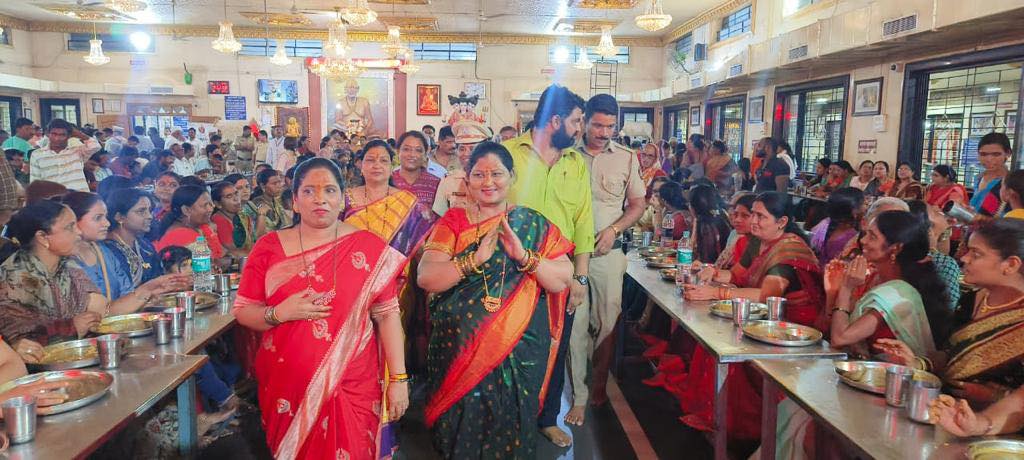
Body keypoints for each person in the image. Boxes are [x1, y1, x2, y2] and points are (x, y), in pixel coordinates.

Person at [233, 158, 408, 458]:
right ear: (295, 201)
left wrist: (400, 380)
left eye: (329, 190)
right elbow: (244, 311)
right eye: (309, 191)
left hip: (353, 382)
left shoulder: (368, 247)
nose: (320, 200)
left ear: (342, 200)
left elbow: (389, 314)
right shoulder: (268, 247)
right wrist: (277, 314)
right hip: (287, 385)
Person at [418, 142, 574, 459]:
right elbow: (427, 277)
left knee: (514, 421)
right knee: (464, 426)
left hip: (521, 345)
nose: (488, 182)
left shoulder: (533, 223)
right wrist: (474, 259)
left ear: (512, 177)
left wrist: (524, 256)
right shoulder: (454, 222)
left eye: (497, 174)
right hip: (459, 349)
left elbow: (562, 277)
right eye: (479, 174)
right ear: (467, 179)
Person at [684, 192, 824, 440]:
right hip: (763, 319)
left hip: (792, 326)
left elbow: (766, 295)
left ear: (781, 222)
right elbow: (737, 275)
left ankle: (746, 428)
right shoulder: (757, 242)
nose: (754, 221)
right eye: (754, 215)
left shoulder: (788, 250)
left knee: (732, 352)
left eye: (761, 216)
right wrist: (711, 272)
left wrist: (715, 292)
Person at [502, 84, 591, 448]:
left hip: (560, 274)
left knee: (556, 347)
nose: (580, 129)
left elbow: (584, 222)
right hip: (510, 272)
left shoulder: (575, 163)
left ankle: (547, 418)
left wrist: (580, 277)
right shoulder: (506, 155)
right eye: (576, 121)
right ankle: (507, 419)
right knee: (507, 349)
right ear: (555, 120)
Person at [877, 219, 1024, 406]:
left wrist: (995, 397)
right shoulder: (971, 300)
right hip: (944, 408)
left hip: (993, 427)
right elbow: (950, 354)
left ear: (1010, 265)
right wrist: (917, 364)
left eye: (976, 254)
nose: (964, 258)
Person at [0, 201, 174, 357]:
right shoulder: (15, 278)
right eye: (70, 227)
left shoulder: (68, 267)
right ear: (42, 238)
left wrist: (146, 291)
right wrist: (71, 327)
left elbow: (105, 312)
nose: (78, 232)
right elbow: (17, 342)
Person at [565, 94, 646, 425]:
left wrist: (614, 229)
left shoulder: (627, 159)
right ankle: (579, 397)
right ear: (584, 121)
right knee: (575, 328)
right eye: (597, 125)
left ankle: (599, 384)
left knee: (607, 325)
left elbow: (637, 205)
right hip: (570, 259)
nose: (603, 132)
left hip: (608, 257)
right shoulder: (566, 155)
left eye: (610, 126)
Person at [827, 210, 944, 357]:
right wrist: (831, 293)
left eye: (873, 237)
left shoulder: (899, 293)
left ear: (895, 248)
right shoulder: (873, 278)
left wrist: (845, 288)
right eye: (866, 234)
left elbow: (840, 339)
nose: (863, 240)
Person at [344, 139, 435, 256]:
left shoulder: (407, 203)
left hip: (396, 271)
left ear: (391, 168)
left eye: (384, 161)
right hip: (353, 267)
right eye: (371, 160)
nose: (377, 165)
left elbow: (419, 250)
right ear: (361, 166)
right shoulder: (344, 199)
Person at [907, 200, 961, 312]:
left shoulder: (906, 252)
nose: (938, 208)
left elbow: (939, 251)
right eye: (934, 212)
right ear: (928, 227)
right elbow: (949, 309)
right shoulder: (946, 264)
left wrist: (944, 229)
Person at [106, 188, 164, 286]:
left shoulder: (145, 245)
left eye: (149, 210)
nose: (149, 216)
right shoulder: (108, 251)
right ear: (119, 217)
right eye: (141, 211)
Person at [154, 185, 227, 263]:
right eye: (205, 205)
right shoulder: (181, 234)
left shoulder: (198, 226)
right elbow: (208, 266)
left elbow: (221, 255)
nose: (211, 209)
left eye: (210, 204)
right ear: (186, 210)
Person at [432, 121, 489, 216]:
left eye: (472, 149)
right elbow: (440, 216)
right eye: (462, 149)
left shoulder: (495, 180)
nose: (466, 154)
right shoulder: (448, 180)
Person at [29, 119, 99, 191]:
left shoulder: (77, 151)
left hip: (79, 198)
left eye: (62, 135)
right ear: (47, 134)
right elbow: (35, 183)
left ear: (69, 136)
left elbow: (95, 146)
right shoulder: (37, 155)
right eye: (54, 134)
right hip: (53, 200)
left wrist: (78, 134)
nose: (57, 138)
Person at [809, 187, 864, 267]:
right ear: (854, 211)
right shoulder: (852, 237)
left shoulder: (825, 223)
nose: (866, 208)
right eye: (864, 204)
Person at [392, 130, 441, 210]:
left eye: (418, 150)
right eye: (406, 149)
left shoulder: (436, 184)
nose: (412, 155)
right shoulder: (387, 181)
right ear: (398, 151)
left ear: (426, 154)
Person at [688, 184, 732, 263]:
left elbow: (702, 257)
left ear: (693, 207)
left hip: (710, 269)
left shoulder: (705, 225)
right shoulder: (722, 214)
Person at [971, 132, 1011, 216]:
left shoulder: (1010, 183)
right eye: (983, 154)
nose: (989, 159)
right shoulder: (978, 179)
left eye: (996, 154)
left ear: (1008, 153)